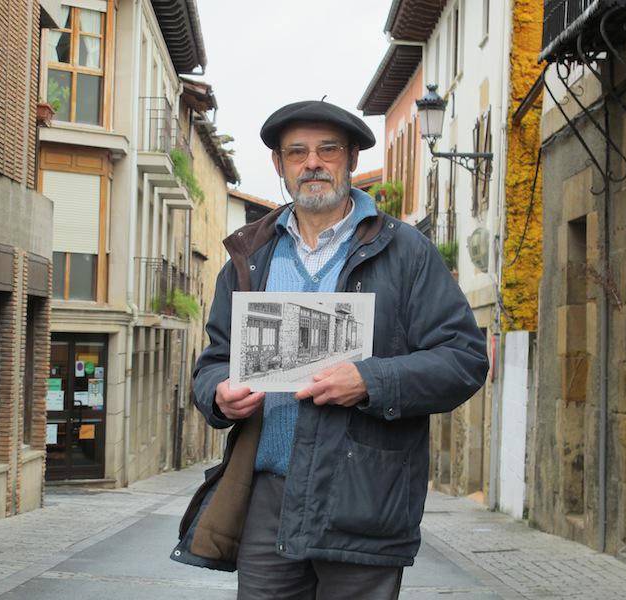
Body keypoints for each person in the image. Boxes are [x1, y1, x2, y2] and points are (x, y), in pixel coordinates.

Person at [171, 99, 489, 600]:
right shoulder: (250, 257)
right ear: (279, 164)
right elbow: (214, 361)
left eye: (328, 150)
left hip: (365, 497)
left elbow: (464, 358)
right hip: (268, 498)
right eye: (297, 152)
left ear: (352, 159)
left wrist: (369, 380)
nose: (312, 163)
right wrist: (219, 394)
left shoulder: (406, 252)